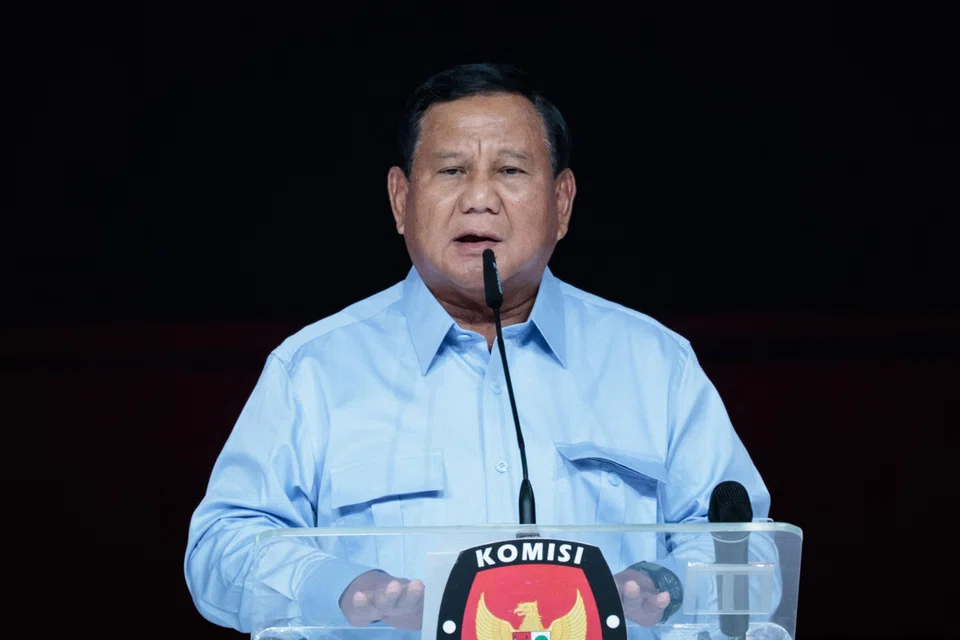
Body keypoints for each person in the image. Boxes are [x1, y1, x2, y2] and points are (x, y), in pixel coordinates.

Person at [184, 62, 774, 635]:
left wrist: (664, 582)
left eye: (511, 171)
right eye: (451, 171)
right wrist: (341, 588)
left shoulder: (656, 365)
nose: (479, 198)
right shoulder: (313, 370)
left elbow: (750, 552)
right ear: (400, 200)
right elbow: (222, 546)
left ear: (562, 202)